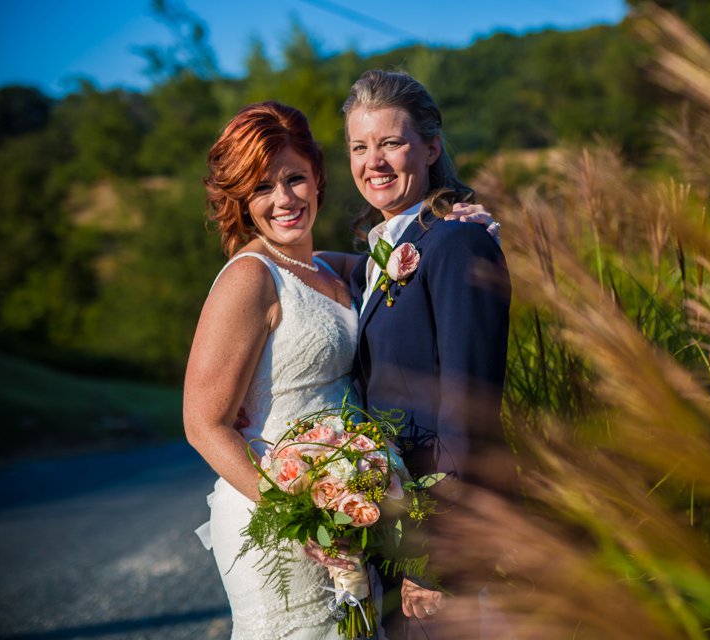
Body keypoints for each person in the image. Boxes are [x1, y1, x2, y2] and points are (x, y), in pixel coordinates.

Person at [184, 101, 497, 639]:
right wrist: (299, 518)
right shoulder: (249, 279)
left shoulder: (331, 268)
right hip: (284, 520)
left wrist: (464, 222)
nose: (283, 200)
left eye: (294, 179)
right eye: (262, 188)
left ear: (318, 179)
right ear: (240, 200)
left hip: (350, 507)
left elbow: (413, 251)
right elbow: (202, 424)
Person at [341, 70, 511, 639]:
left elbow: (470, 408)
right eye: (360, 147)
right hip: (392, 528)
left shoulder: (458, 241)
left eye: (392, 142)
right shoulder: (379, 253)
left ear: (432, 147)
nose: (375, 162)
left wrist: (439, 559)